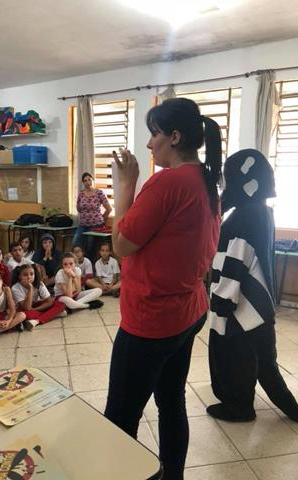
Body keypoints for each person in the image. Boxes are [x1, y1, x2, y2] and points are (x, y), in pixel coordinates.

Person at [104, 98, 222, 480]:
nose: (150, 144)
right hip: (188, 311)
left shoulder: (167, 182)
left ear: (175, 136)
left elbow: (121, 245)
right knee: (172, 402)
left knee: (119, 418)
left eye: (155, 133)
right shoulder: (206, 179)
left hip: (151, 322)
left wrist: (125, 186)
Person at [207, 148, 298, 423]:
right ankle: (288, 408)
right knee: (265, 364)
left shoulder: (244, 216)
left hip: (241, 308)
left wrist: (222, 303)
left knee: (236, 357)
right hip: (259, 308)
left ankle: (240, 406)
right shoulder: (262, 212)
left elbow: (237, 259)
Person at [11, 264, 66, 331]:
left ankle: (36, 321)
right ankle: (52, 314)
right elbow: (27, 307)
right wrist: (30, 288)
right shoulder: (15, 288)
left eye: (31, 274)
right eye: (25, 275)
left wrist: (35, 309)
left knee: (61, 304)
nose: (29, 277)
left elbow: (49, 302)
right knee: (27, 315)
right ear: (19, 276)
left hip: (35, 307)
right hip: (24, 309)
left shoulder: (39, 284)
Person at [73, 172, 112, 257]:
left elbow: (109, 209)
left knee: (90, 246)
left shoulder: (99, 193)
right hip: (83, 225)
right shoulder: (81, 194)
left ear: (93, 181)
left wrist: (102, 218)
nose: (87, 182)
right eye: (85, 180)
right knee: (75, 242)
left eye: (89, 180)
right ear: (83, 183)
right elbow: (79, 208)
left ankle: (90, 266)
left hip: (95, 225)